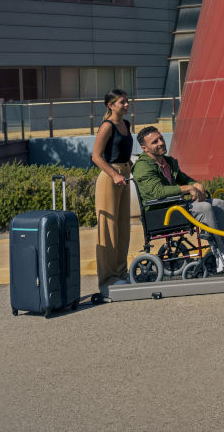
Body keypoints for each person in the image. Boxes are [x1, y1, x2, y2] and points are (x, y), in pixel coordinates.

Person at [132, 127, 224, 271]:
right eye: (155, 142)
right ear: (145, 148)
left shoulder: (167, 162)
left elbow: (184, 179)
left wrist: (195, 184)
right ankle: (221, 255)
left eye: (161, 138)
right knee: (204, 207)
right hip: (160, 213)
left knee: (218, 203)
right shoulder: (142, 167)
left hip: (174, 208)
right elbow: (157, 192)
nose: (161, 142)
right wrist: (188, 189)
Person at [91, 89, 134, 299]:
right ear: (111, 105)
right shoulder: (107, 126)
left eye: (127, 101)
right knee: (108, 228)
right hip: (110, 178)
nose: (127, 105)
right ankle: (107, 279)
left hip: (124, 174)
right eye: (122, 102)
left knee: (123, 227)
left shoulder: (126, 125)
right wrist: (114, 175)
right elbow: (96, 157)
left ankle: (120, 273)